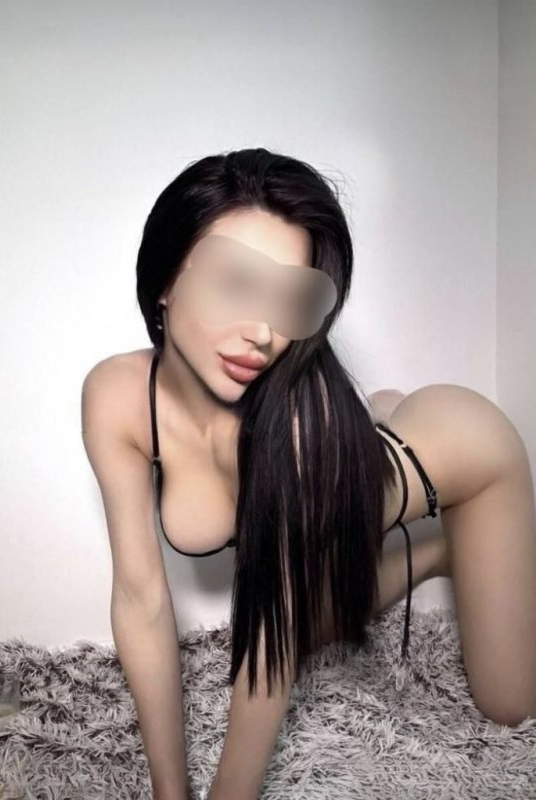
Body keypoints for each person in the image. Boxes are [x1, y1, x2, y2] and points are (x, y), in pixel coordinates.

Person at [81, 148, 536, 800]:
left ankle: (441, 540)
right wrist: (168, 793)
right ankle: (387, 423)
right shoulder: (116, 395)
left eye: (287, 299)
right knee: (306, 618)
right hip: (342, 462)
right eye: (233, 284)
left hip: (465, 455)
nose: (262, 333)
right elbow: (140, 597)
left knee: (509, 706)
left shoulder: (297, 422)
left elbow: (268, 641)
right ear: (166, 281)